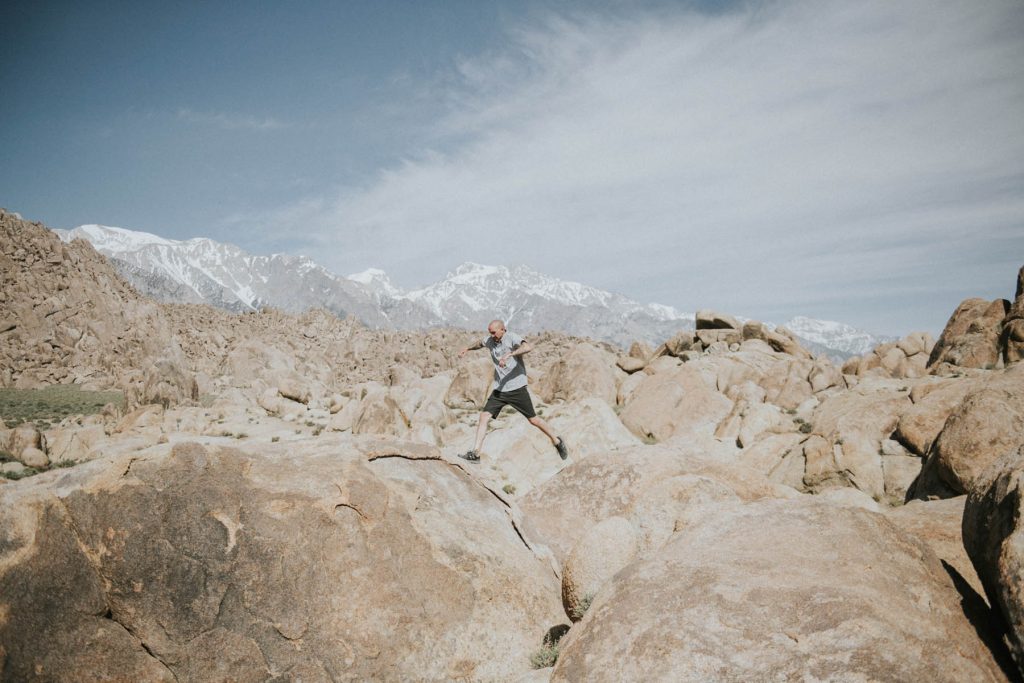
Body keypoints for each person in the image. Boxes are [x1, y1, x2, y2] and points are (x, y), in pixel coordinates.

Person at [457, 319, 568, 463]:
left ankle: (557, 441)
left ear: (503, 329)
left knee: (533, 420)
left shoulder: (512, 338)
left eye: (494, 332)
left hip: (517, 389)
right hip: (500, 390)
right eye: (490, 333)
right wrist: (467, 348)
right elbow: (480, 343)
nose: (492, 335)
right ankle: (476, 453)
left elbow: (528, 347)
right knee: (484, 417)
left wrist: (510, 354)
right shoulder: (490, 340)